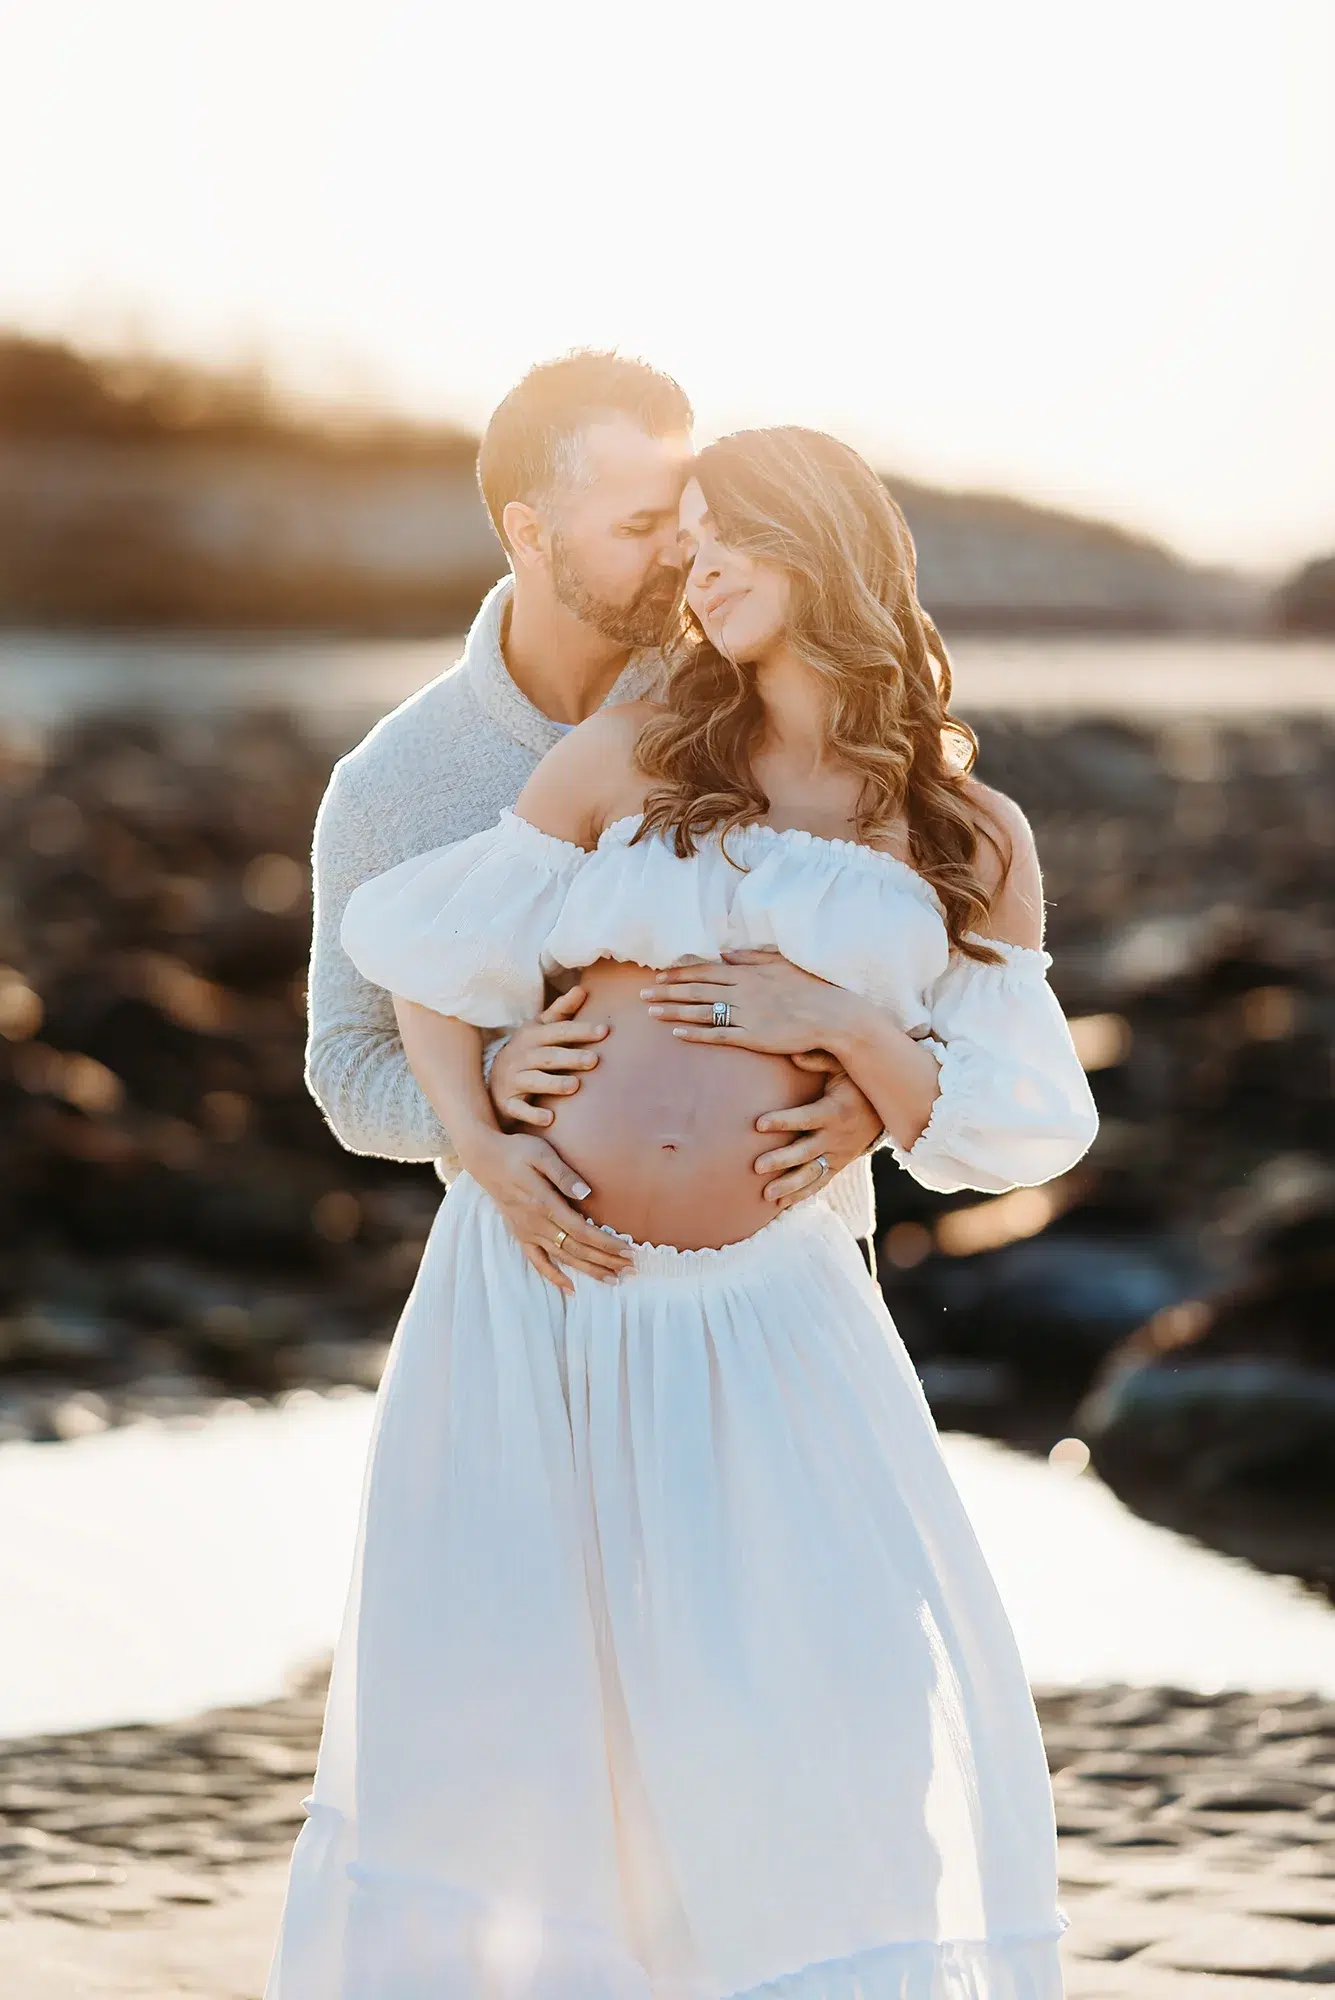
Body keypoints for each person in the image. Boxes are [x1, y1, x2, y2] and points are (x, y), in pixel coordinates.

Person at [264, 424, 1098, 2000]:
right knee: (513, 1727)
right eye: (678, 534)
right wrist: (487, 1142)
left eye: (726, 538)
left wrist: (856, 1036)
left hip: (769, 1312)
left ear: (826, 553)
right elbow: (421, 956)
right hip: (536, 1292)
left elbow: (1002, 1125)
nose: (691, 570)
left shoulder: (964, 836)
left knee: (812, 1701)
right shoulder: (640, 751)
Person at [304, 350, 889, 1285]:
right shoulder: (392, 784)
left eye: (690, 521)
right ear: (530, 535)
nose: (681, 555)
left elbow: (913, 946)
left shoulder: (755, 701)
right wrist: (486, 1093)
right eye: (640, 525)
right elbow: (346, 1068)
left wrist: (872, 1096)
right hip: (544, 1287)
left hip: (790, 1283)